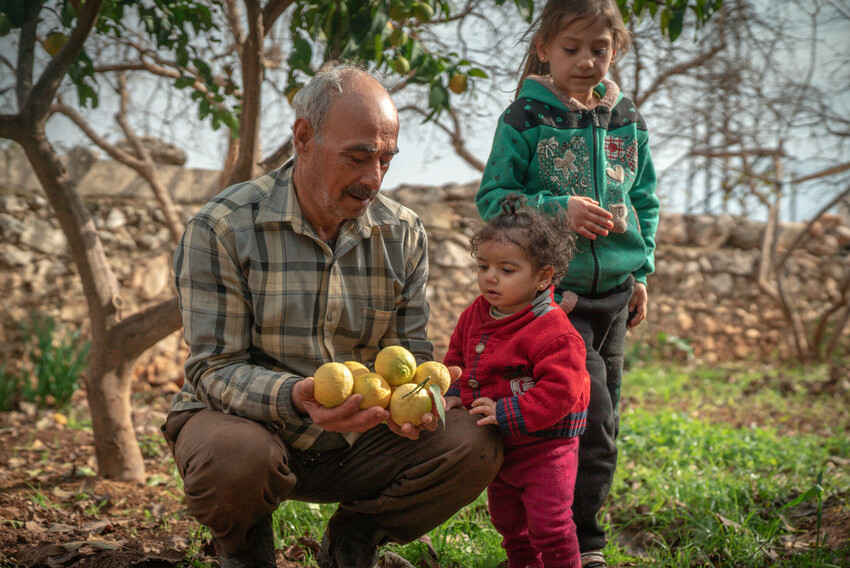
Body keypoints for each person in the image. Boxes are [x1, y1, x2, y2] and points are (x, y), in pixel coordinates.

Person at [163, 65, 503, 568]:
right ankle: (243, 549)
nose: (374, 178)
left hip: (357, 437)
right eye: (358, 156)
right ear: (303, 137)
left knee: (476, 441)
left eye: (386, 160)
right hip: (249, 428)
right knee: (235, 460)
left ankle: (353, 542)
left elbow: (408, 355)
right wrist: (295, 396)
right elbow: (212, 368)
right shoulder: (223, 227)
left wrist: (426, 400)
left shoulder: (403, 234)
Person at [474, 1, 660, 566]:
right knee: (589, 415)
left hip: (616, 298)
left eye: (598, 49)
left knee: (603, 425)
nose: (585, 61)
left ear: (615, 48)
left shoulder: (626, 118)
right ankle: (577, 544)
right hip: (561, 303)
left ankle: (574, 536)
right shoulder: (525, 119)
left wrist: (642, 269)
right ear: (544, 50)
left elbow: (645, 200)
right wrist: (559, 209)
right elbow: (494, 200)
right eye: (571, 49)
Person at [443, 194, 590, 568]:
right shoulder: (474, 314)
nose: (490, 277)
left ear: (543, 277)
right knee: (509, 524)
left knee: (550, 525)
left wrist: (508, 412)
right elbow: (457, 359)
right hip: (501, 444)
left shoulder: (554, 332)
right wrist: (455, 393)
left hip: (546, 448)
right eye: (483, 266)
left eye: (507, 270)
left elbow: (561, 391)